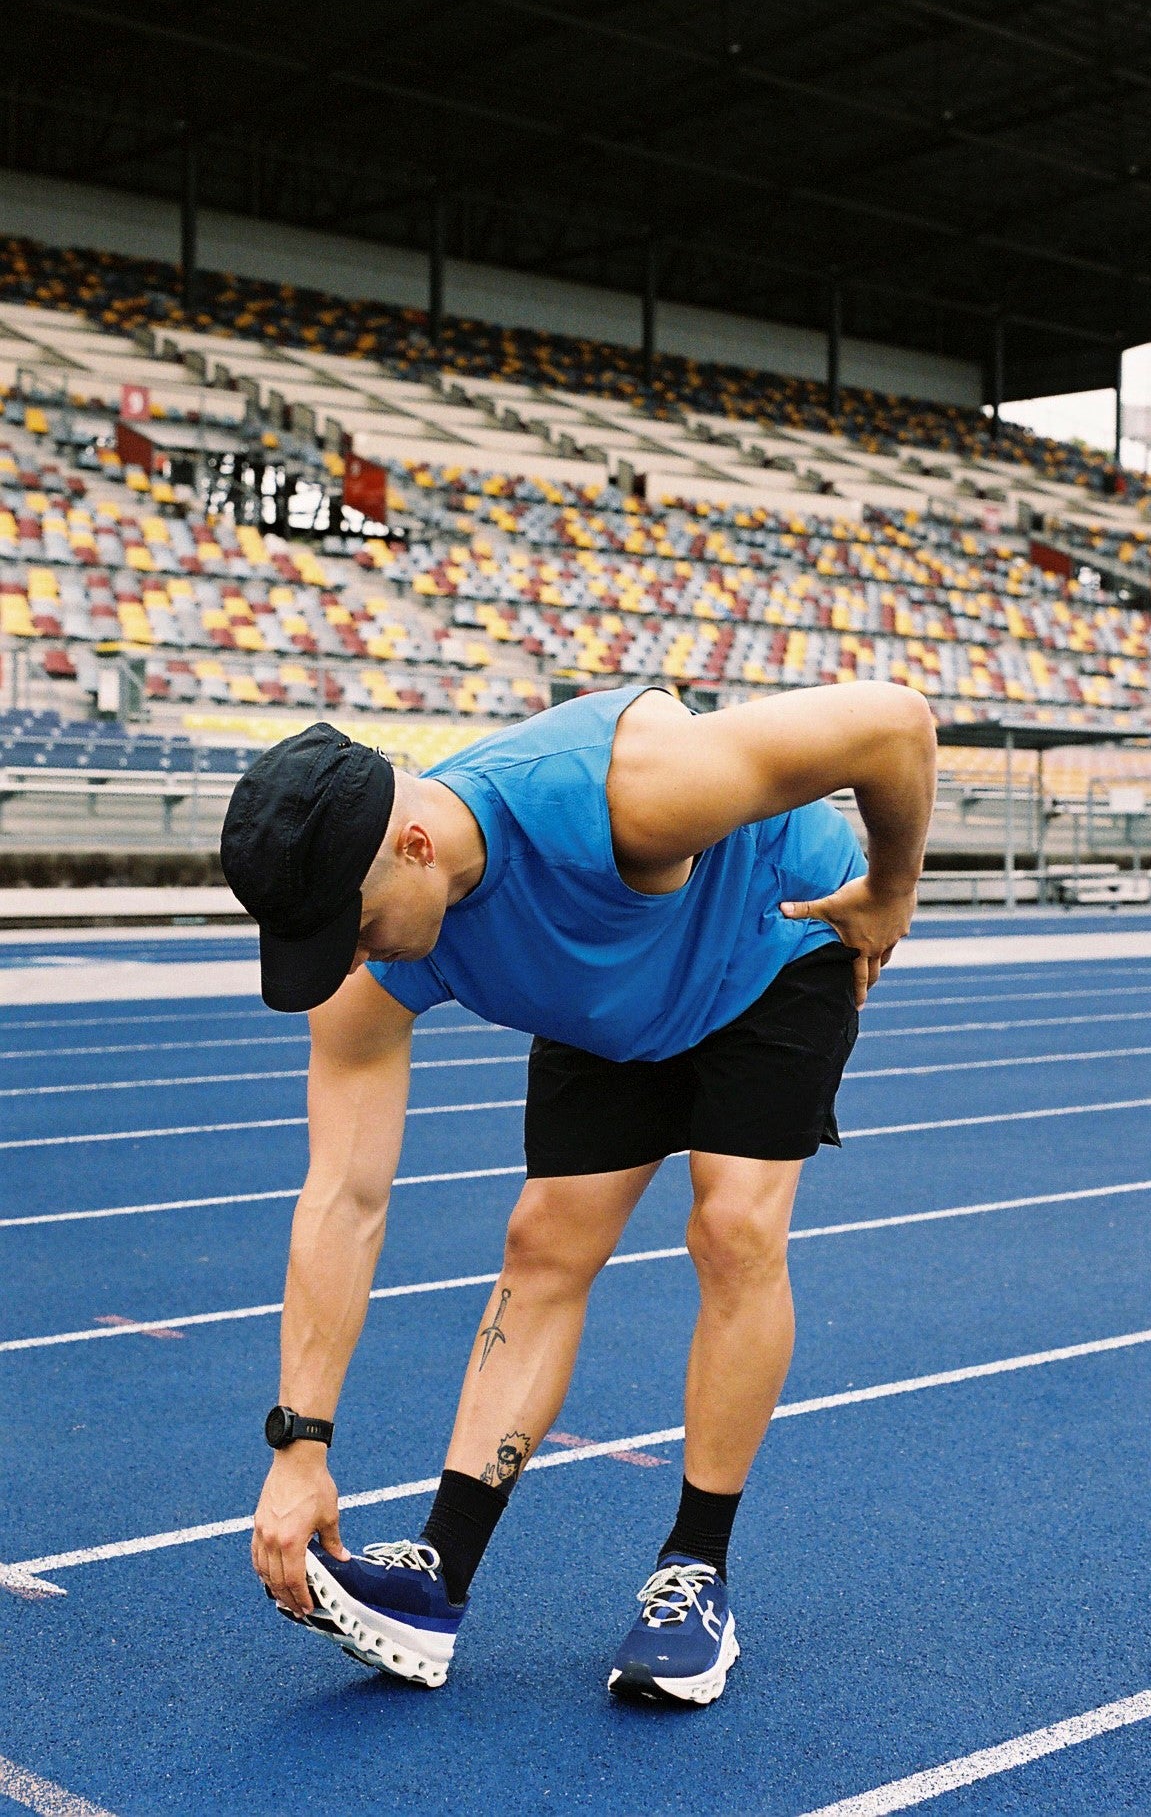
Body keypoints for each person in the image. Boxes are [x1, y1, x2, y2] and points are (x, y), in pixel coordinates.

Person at [221, 680, 935, 1704]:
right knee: (545, 1242)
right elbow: (343, 1196)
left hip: (771, 939)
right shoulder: (371, 961)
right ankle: (438, 1577)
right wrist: (300, 1445)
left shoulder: (634, 793)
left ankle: (693, 1569)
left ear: (416, 846)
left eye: (357, 926)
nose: (355, 957)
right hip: (607, 995)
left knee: (731, 1225)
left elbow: (893, 722)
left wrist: (892, 888)